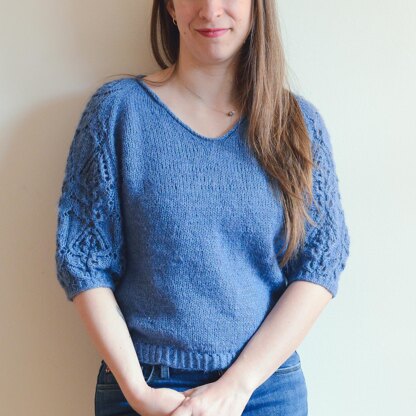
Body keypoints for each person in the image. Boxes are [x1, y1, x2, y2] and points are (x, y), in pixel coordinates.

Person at [54, 1, 350, 415]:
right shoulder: (118, 112)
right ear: (170, 7)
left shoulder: (296, 123)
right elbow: (84, 261)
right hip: (145, 386)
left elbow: (319, 263)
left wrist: (238, 384)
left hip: (265, 389)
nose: (211, 9)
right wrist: (138, 392)